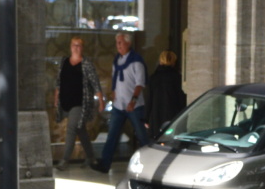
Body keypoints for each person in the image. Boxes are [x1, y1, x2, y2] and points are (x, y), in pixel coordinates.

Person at [92, 32, 148, 173]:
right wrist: (114, 91)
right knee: (112, 135)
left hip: (134, 106)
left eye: (121, 42)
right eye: (117, 43)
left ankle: (149, 164)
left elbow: (140, 83)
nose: (118, 46)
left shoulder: (136, 60)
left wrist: (133, 100)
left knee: (142, 136)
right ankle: (105, 164)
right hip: (119, 105)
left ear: (128, 43)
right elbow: (115, 77)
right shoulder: (117, 60)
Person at [54, 36, 103, 170]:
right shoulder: (64, 61)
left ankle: (64, 161)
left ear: (82, 48)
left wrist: (100, 100)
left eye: (79, 45)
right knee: (80, 130)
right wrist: (56, 97)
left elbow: (95, 83)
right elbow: (59, 81)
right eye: (74, 45)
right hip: (65, 101)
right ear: (70, 47)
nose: (76, 47)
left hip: (80, 103)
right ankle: (91, 157)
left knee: (71, 128)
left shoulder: (86, 64)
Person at [146, 50, 186, 140]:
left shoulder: (154, 78)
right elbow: (181, 100)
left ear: (160, 61)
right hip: (174, 115)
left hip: (157, 116)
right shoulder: (178, 78)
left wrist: (146, 118)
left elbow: (149, 99)